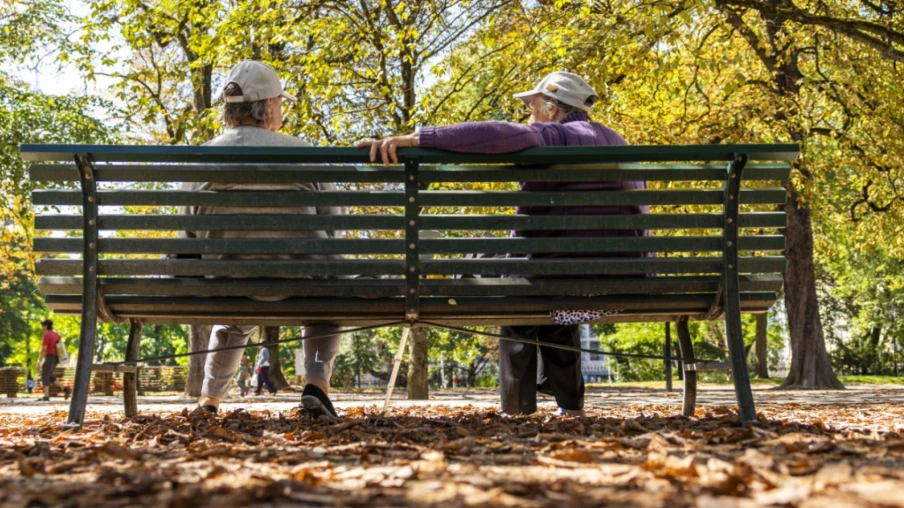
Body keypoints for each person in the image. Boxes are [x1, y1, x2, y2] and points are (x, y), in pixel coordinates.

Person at [359, 72, 648, 418]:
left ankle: (517, 408)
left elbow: (499, 133)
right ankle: (569, 405)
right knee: (546, 288)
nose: (527, 116)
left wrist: (417, 137)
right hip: (622, 278)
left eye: (530, 108)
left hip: (555, 277)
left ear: (551, 109)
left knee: (513, 283)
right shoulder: (618, 142)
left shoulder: (557, 135)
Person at [183, 60, 343, 417]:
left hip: (227, 284)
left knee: (232, 318)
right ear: (268, 106)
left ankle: (209, 402)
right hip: (303, 283)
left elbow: (186, 237)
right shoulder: (306, 153)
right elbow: (335, 230)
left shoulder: (200, 157)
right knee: (330, 297)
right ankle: (316, 387)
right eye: (280, 102)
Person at [37, 319, 71, 401]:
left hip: (50, 356)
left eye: (43, 325)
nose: (42, 327)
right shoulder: (56, 334)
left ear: (46, 326)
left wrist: (39, 361)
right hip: (56, 357)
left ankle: (46, 396)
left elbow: (44, 349)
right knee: (49, 375)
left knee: (45, 374)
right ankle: (65, 389)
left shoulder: (46, 335)